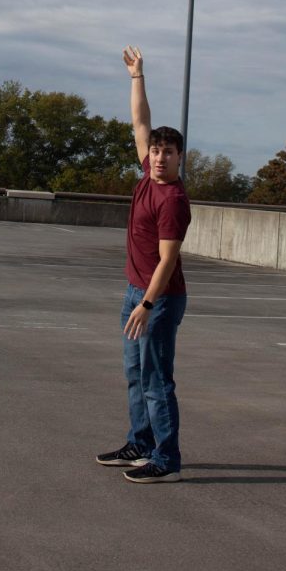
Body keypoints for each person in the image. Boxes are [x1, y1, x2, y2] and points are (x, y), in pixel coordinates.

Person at [96, 46, 191, 483]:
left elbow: (169, 259)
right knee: (136, 376)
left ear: (178, 158)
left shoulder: (171, 199)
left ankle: (166, 457)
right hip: (136, 292)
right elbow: (140, 122)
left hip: (160, 299)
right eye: (155, 150)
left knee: (156, 381)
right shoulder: (145, 177)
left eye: (168, 151)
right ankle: (141, 442)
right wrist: (137, 77)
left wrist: (147, 305)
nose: (158, 156)